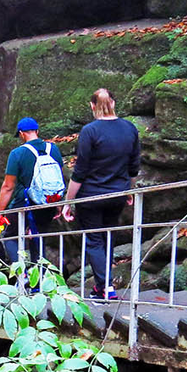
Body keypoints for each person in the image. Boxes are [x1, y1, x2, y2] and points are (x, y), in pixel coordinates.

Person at [61, 89, 140, 300]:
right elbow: (133, 167)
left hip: (92, 196)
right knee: (108, 237)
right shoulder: (129, 128)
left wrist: (68, 202)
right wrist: (129, 190)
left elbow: (80, 171)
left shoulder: (90, 131)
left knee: (94, 240)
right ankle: (102, 286)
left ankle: (105, 287)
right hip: (117, 194)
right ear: (113, 103)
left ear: (92, 106)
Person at [0, 117, 66, 267]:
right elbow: (58, 177)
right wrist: (59, 203)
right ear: (37, 131)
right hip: (48, 202)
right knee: (38, 237)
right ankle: (39, 281)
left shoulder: (17, 153)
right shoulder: (53, 149)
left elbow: (8, 186)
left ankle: (23, 274)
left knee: (10, 237)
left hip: (24, 203)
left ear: (21, 134)